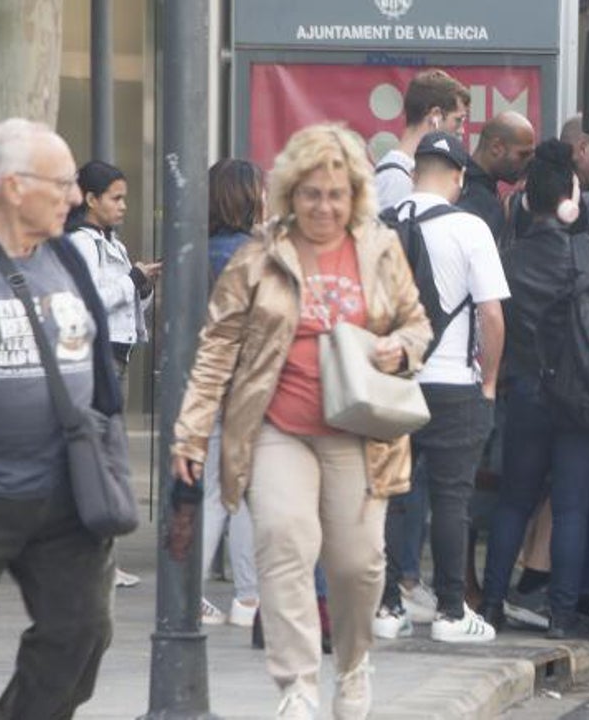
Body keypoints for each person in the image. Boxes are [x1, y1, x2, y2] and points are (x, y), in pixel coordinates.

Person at [171, 123, 432, 720]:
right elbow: (216, 349)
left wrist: (401, 349)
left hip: (358, 432)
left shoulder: (379, 249)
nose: (324, 205)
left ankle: (354, 662)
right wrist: (190, 433)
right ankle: (298, 686)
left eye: (336, 194)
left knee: (357, 563)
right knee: (283, 543)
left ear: (354, 196)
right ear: (291, 193)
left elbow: (417, 323)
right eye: (312, 193)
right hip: (277, 428)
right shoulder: (259, 255)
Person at [0, 118, 124, 718]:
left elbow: (100, 358)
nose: (71, 196)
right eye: (61, 183)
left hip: (64, 490)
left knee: (83, 635)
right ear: (13, 186)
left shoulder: (66, 255)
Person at [374, 131, 508, 644]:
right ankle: (452, 612)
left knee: (389, 496)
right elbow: (492, 314)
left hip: (392, 383)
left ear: (413, 174)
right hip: (455, 384)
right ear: (456, 178)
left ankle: (387, 607)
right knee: (452, 498)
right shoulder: (470, 227)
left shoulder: (381, 226)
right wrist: (490, 382)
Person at [480, 140, 589, 640]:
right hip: (579, 396)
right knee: (572, 507)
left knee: (514, 500)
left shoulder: (509, 259)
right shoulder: (586, 254)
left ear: (527, 202)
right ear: (570, 199)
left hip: (528, 390)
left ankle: (492, 604)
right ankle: (561, 615)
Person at [65, 161, 160, 590]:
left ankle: (101, 558)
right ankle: (98, 560)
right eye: (116, 198)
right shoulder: (82, 245)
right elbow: (87, 303)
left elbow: (124, 306)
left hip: (114, 355)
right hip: (94, 358)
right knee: (100, 460)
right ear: (90, 199)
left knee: (106, 457)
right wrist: (131, 281)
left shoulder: (111, 243)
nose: (123, 206)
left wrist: (141, 285)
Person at [198, 158, 263, 628]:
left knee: (215, 492)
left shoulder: (197, 252)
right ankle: (248, 596)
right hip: (242, 385)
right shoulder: (249, 255)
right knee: (238, 493)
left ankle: (197, 592)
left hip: (205, 381)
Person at [374, 69, 470, 210]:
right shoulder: (395, 179)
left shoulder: (400, 174)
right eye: (458, 120)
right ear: (435, 115)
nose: (462, 130)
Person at [461, 111, 536, 240]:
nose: (528, 163)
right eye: (523, 155)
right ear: (496, 147)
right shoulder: (471, 197)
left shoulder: (476, 189)